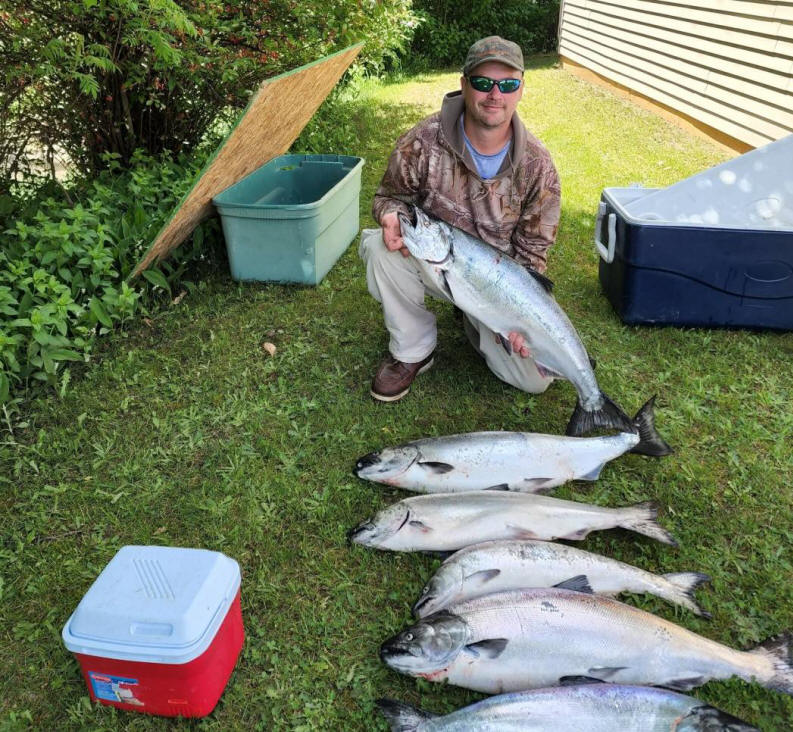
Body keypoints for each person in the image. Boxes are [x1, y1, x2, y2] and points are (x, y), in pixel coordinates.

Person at [359, 35, 561, 402]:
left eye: (507, 84)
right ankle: (413, 352)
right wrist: (390, 215)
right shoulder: (423, 139)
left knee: (534, 380)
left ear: (520, 90)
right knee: (379, 247)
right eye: (483, 83)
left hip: (495, 286)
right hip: (433, 261)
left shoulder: (538, 165)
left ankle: (476, 322)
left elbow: (533, 252)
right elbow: (389, 197)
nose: (494, 94)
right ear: (465, 84)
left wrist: (518, 318)